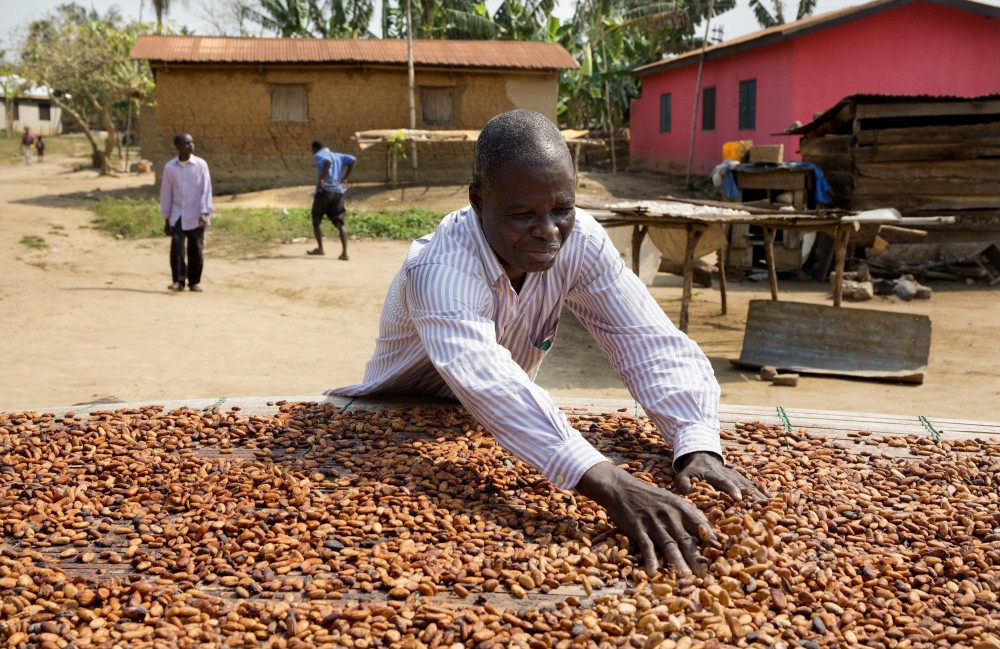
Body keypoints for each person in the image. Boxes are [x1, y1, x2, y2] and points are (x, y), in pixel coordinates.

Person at [326, 110, 764, 578]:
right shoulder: (441, 268)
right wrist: (614, 485)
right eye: (522, 215)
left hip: (504, 429)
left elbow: (646, 341)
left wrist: (696, 443)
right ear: (478, 201)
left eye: (562, 209)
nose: (548, 230)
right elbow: (486, 378)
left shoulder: (581, 243)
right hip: (391, 423)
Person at [160, 133, 212, 292]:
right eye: (187, 143)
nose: (191, 146)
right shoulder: (170, 167)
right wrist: (166, 219)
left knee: (196, 249)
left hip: (196, 214)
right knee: (177, 248)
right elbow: (166, 193)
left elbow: (206, 190)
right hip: (178, 215)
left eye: (192, 142)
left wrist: (204, 212)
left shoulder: (200, 165)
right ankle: (178, 281)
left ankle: (194, 282)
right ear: (178, 147)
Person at [309, 139, 355, 260]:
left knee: (316, 220)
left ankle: (320, 249)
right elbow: (352, 160)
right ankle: (344, 253)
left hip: (324, 192)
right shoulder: (337, 155)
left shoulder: (318, 155)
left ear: (314, 149)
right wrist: (346, 177)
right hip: (338, 193)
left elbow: (328, 162)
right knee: (339, 223)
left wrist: (321, 178)